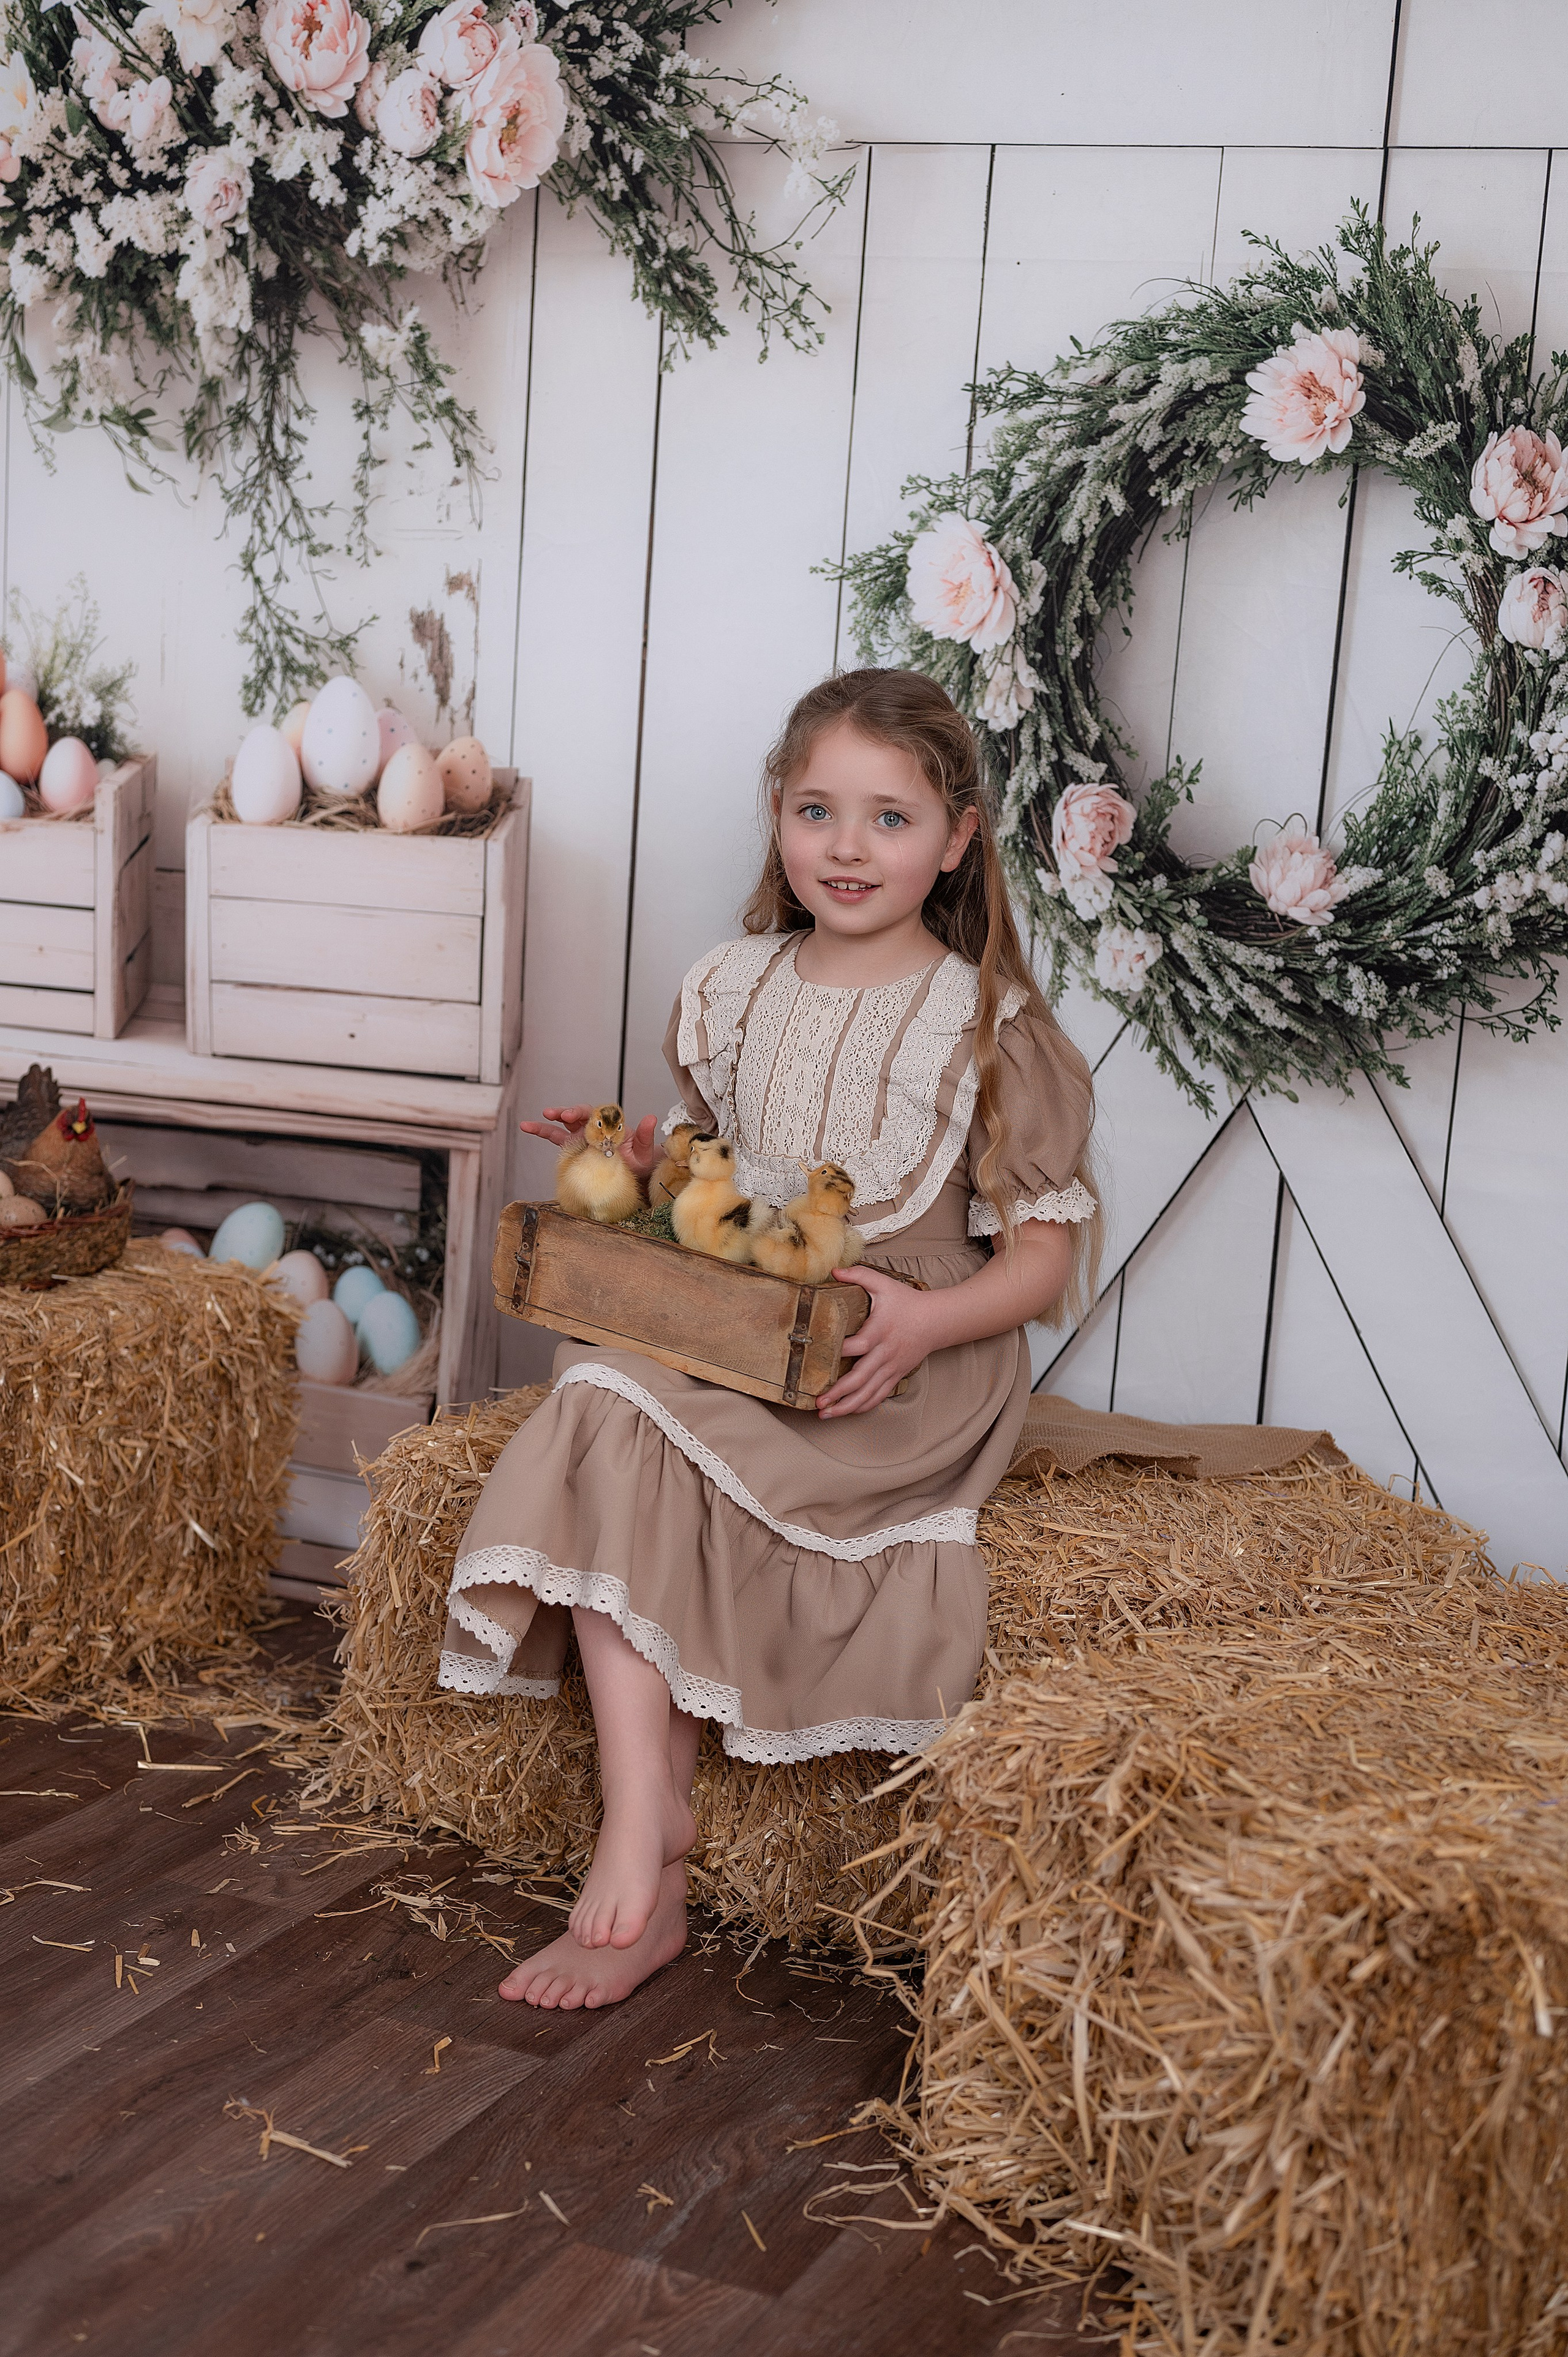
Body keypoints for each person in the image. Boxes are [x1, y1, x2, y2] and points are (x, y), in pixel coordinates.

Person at [437, 667, 1101, 2008]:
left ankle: (640, 1854)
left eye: (888, 818)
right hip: (748, 1318)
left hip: (890, 1358)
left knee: (625, 1417)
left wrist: (925, 1320)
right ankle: (648, 1826)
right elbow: (720, 1177)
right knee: (598, 1395)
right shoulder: (735, 986)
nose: (846, 848)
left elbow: (1041, 1257)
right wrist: (635, 1159)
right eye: (815, 810)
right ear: (778, 818)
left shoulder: (984, 1026)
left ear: (956, 837)